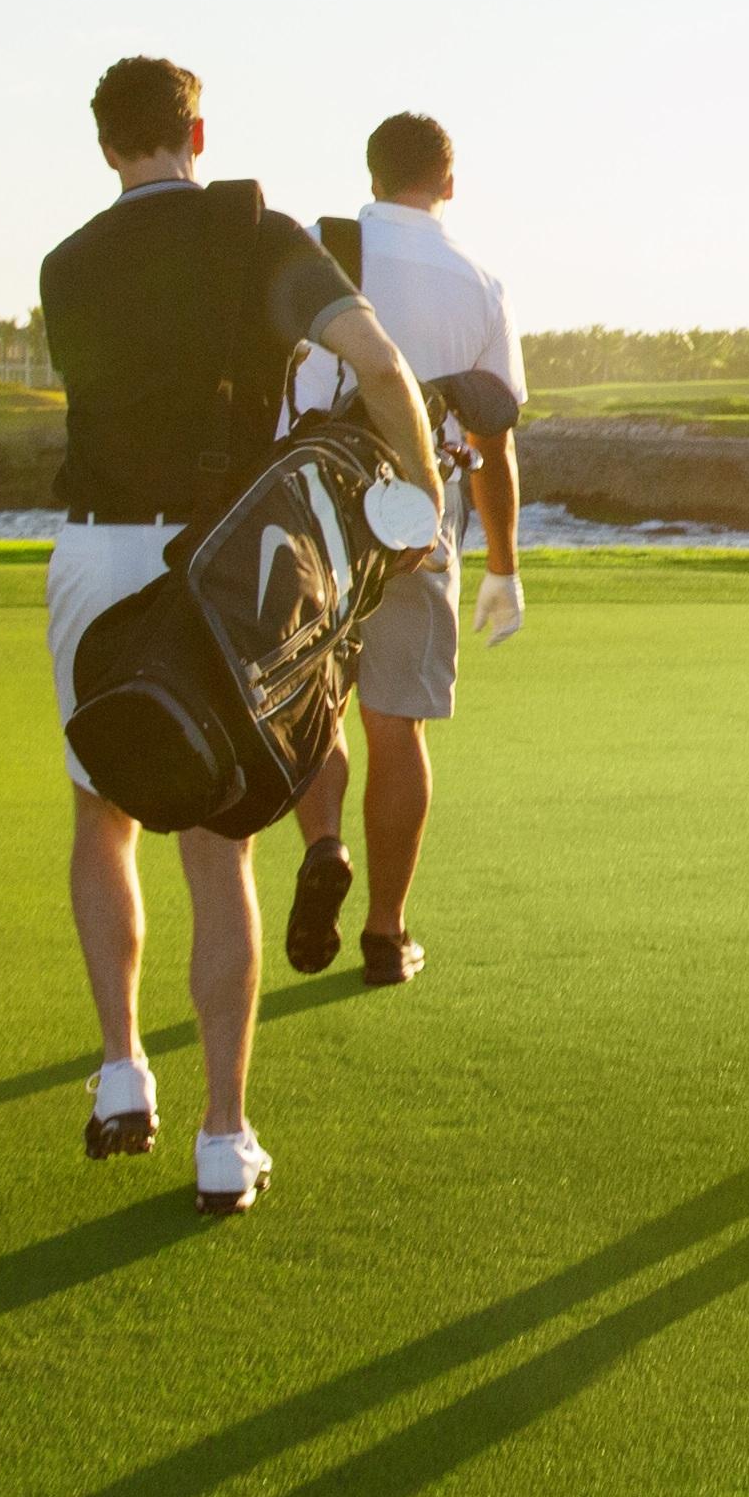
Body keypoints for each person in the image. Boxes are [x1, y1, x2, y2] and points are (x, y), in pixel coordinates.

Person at [37, 55, 432, 1215]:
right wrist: (420, 497)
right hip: (218, 571)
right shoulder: (256, 236)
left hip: (94, 555)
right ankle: (223, 1134)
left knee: (101, 814)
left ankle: (120, 1073)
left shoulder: (65, 265)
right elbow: (380, 363)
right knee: (219, 850)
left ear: (107, 146)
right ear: (195, 131)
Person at [283, 112, 526, 989]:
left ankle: (323, 845)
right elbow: (495, 440)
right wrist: (503, 565)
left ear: (372, 172)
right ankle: (386, 934)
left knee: (315, 707)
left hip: (310, 517)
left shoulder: (317, 246)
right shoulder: (482, 284)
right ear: (449, 184)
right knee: (398, 729)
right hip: (418, 528)